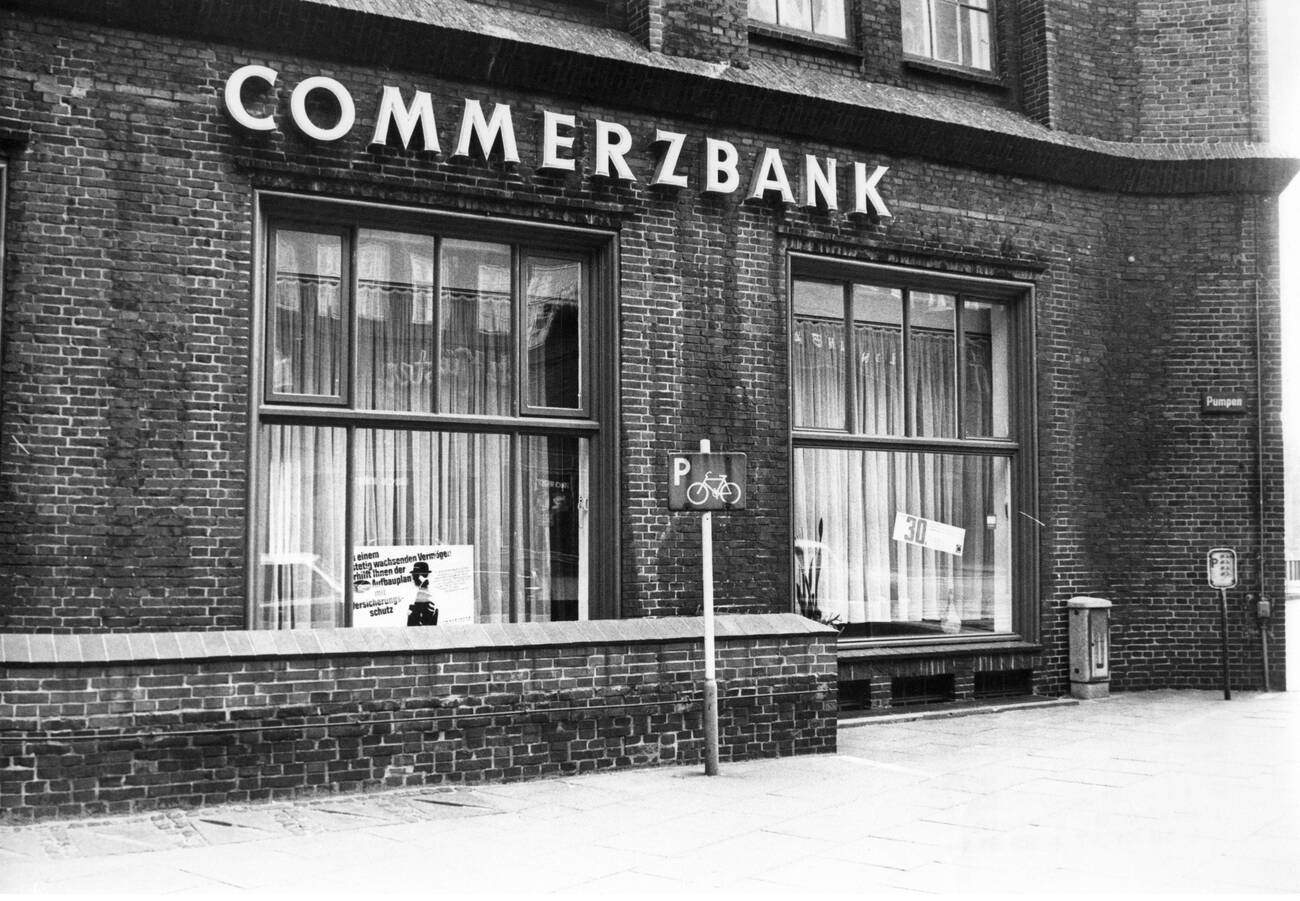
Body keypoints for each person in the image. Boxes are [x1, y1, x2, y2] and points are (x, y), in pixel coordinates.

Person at [406, 561, 439, 626]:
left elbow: (424, 620)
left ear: (421, 576)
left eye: (415, 575)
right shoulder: (420, 590)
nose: (413, 578)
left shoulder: (425, 592)